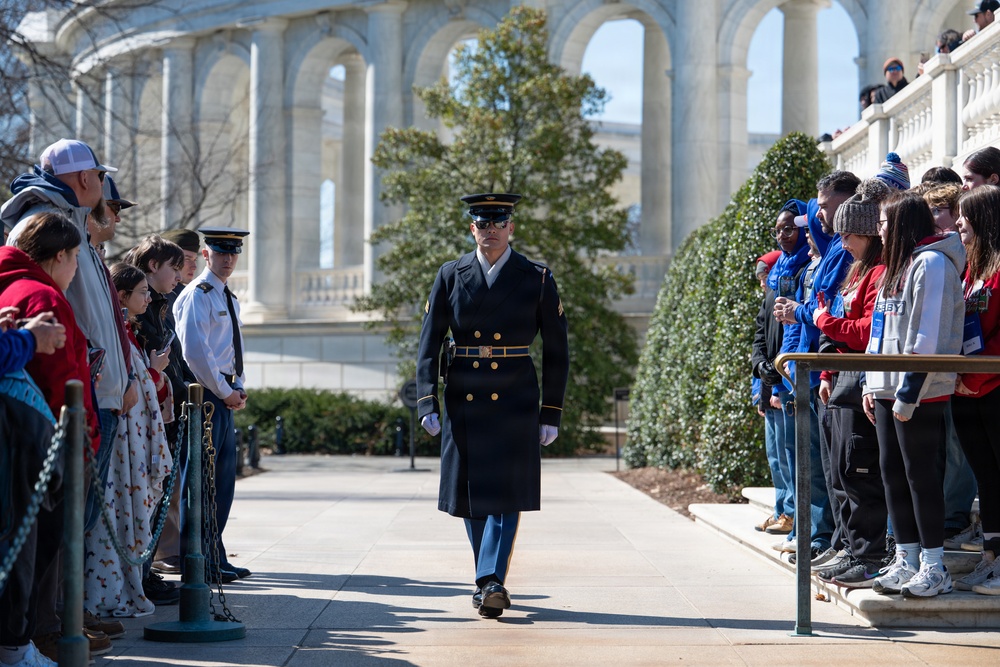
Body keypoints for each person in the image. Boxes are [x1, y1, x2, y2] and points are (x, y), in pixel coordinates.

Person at [416, 193, 569, 619]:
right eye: (482, 224)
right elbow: (428, 341)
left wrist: (551, 411)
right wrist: (427, 400)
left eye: (499, 223)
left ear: (511, 228)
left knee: (505, 491)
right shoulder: (450, 274)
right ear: (472, 229)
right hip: (463, 393)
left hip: (515, 395)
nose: (491, 231)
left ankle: (489, 580)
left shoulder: (536, 277)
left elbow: (558, 350)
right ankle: (489, 581)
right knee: (472, 493)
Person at [864, 191, 965, 598]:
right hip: (886, 389)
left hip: (920, 393)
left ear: (902, 223)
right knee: (892, 474)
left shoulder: (932, 264)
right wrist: (871, 384)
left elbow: (928, 336)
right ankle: (906, 558)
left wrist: (908, 394)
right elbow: (880, 332)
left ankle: (935, 566)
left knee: (920, 476)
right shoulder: (896, 266)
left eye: (884, 222)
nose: (879, 230)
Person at [811, 178, 890, 588]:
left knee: (861, 472)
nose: (842, 243)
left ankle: (870, 555)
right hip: (843, 379)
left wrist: (823, 320)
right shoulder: (857, 269)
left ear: (866, 233)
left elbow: (864, 332)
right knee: (842, 473)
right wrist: (827, 371)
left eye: (848, 235)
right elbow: (846, 328)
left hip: (864, 382)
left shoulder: (878, 271)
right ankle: (850, 547)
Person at [84, 263, 173, 618]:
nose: (148, 298)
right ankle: (104, 596)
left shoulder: (128, 331)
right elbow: (129, 385)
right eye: (142, 292)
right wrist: (154, 372)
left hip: (130, 442)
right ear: (121, 296)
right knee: (111, 516)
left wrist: (155, 375)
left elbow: (142, 384)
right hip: (122, 441)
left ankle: (129, 582)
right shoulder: (117, 330)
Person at [173, 227, 252, 584]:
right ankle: (197, 558)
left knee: (221, 482)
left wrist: (238, 386)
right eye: (221, 252)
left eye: (233, 253)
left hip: (222, 394)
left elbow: (233, 350)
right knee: (200, 481)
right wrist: (223, 390)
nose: (228, 259)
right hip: (205, 396)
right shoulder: (198, 294)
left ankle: (214, 552)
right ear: (206, 255)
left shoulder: (227, 297)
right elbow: (196, 353)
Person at [947, 185, 1000, 594]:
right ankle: (991, 557)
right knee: (986, 476)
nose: (958, 224)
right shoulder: (970, 271)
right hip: (966, 391)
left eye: (965, 217)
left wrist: (973, 376)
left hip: (990, 387)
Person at [150, 228, 200, 576]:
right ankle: (163, 553)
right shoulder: (159, 299)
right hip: (162, 401)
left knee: (177, 479)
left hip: (178, 396)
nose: (188, 269)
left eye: (192, 261)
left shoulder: (178, 295)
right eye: (182, 262)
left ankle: (177, 549)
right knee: (164, 482)